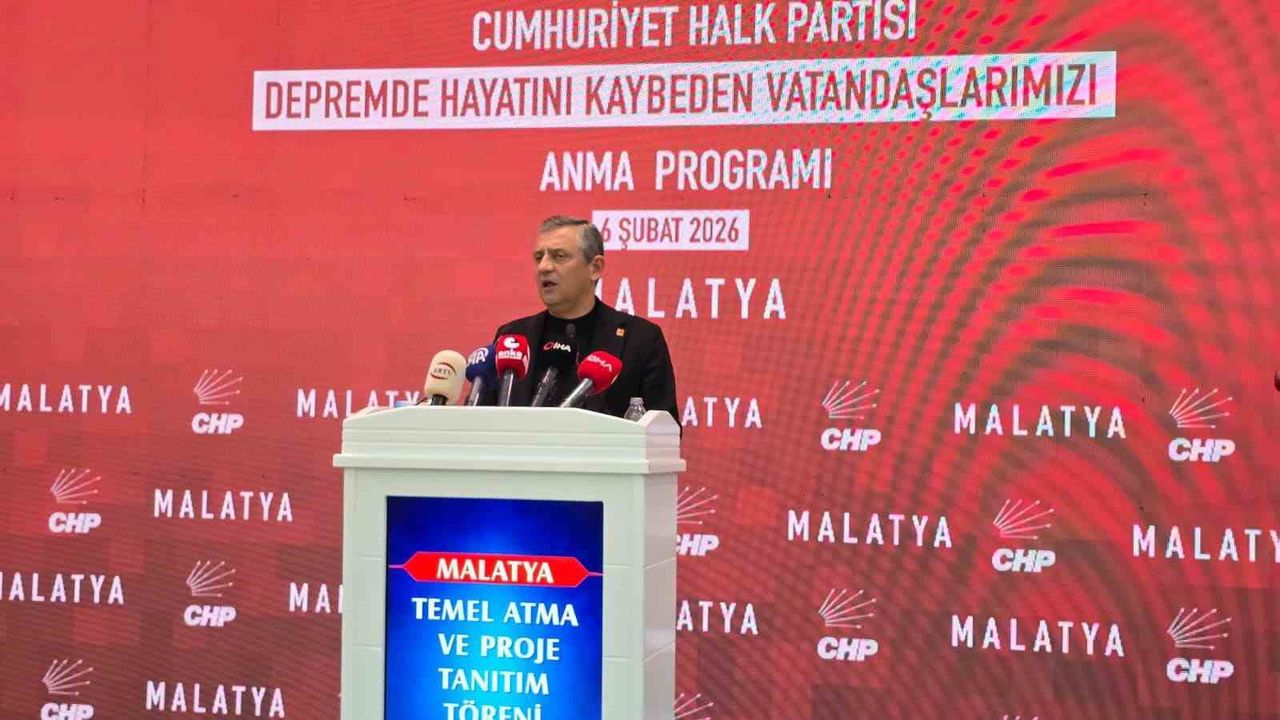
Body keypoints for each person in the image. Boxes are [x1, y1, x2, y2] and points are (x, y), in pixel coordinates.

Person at [482, 215, 678, 421]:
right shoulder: (512, 338)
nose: (544, 267)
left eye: (559, 256)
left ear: (595, 268)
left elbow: (664, 431)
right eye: (539, 258)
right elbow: (482, 423)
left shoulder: (640, 339)